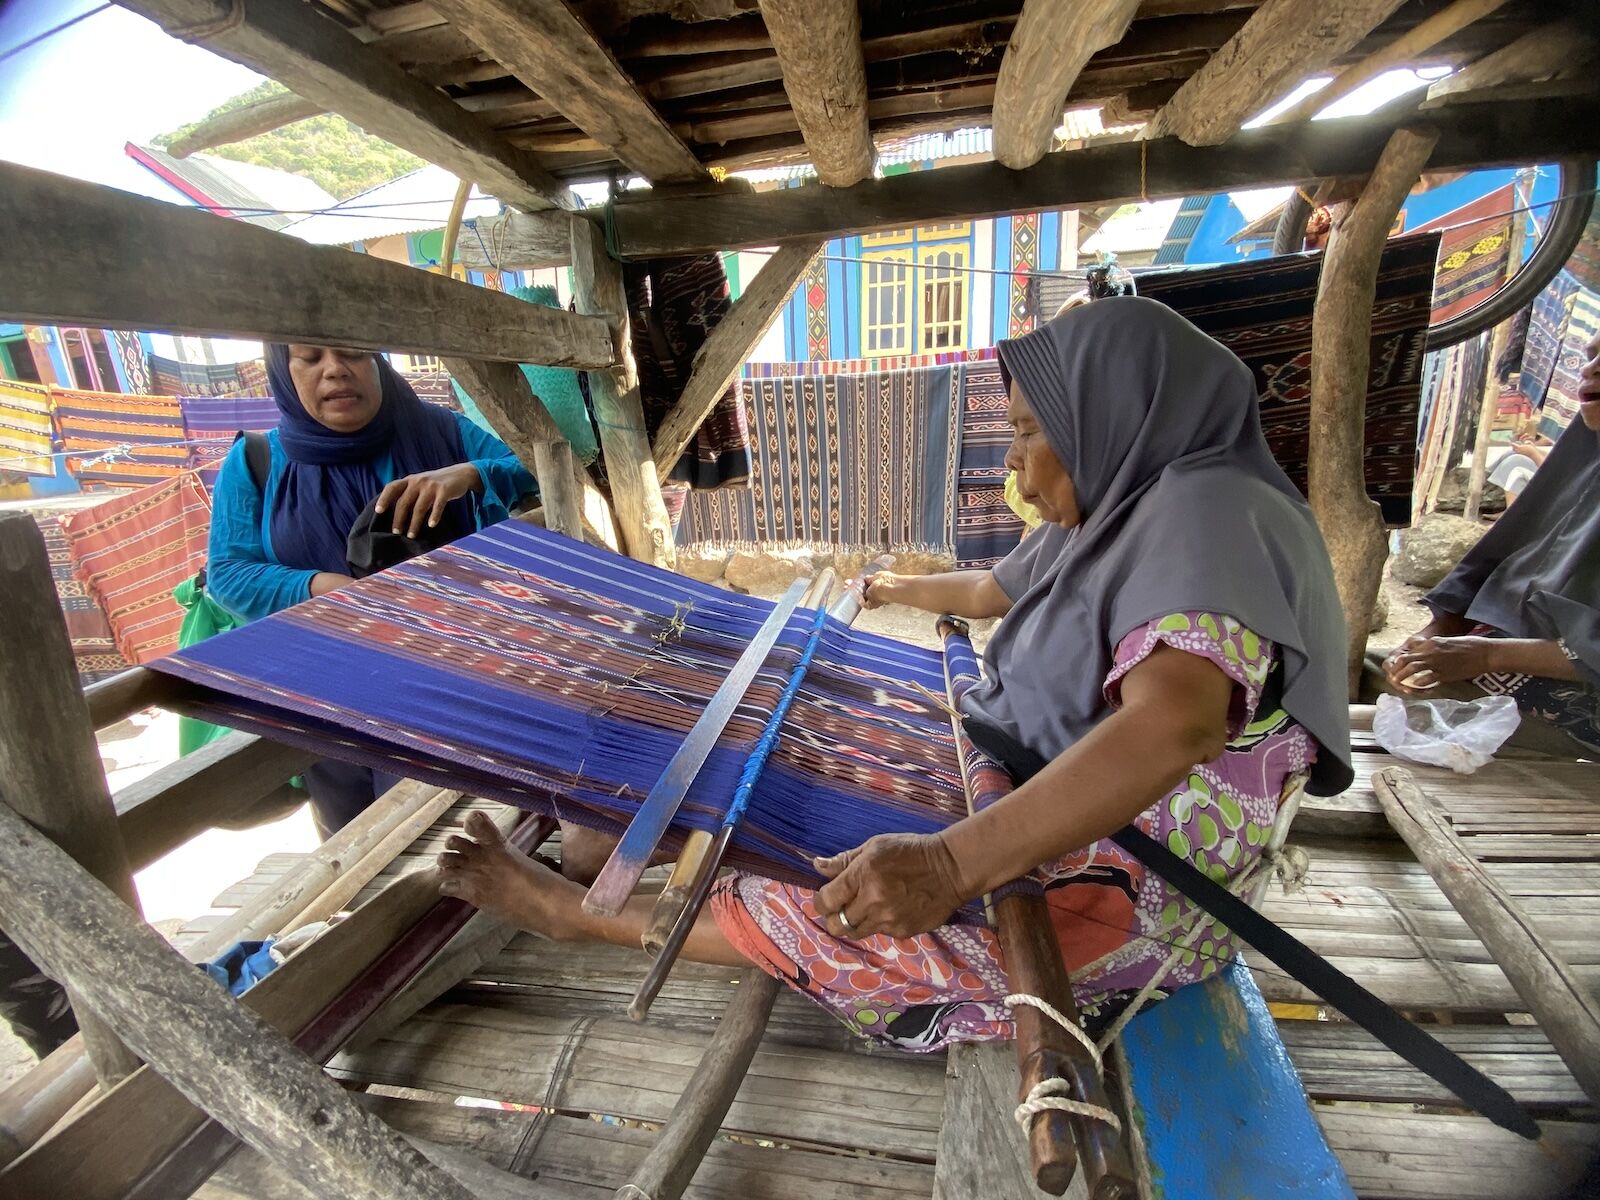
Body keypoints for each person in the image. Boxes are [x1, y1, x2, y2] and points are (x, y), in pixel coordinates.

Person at [437, 298, 1352, 1048]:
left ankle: (582, 914)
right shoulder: (1133, 508)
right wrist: (892, 587)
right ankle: (649, 858)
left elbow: (1175, 726)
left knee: (829, 902)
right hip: (1032, 769)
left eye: (1032, 435)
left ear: (1112, 415)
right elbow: (998, 587)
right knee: (817, 748)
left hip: (1134, 888)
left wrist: (949, 865)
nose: (1019, 474)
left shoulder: (1210, 515)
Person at [208, 343, 537, 835]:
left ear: (379, 363)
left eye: (354, 353)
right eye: (310, 358)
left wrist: (472, 473)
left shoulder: (443, 434)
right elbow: (228, 573)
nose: (335, 370)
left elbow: (543, 469)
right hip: (326, 697)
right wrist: (325, 588)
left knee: (438, 844)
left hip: (445, 687)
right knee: (353, 850)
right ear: (283, 371)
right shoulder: (256, 461)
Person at [1384, 331, 1600, 756]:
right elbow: (1498, 560)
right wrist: (1436, 634)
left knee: (1357, 703)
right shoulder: (1583, 457)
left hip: (1578, 696)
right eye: (1591, 355)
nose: (1591, 369)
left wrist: (1486, 655)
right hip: (1499, 656)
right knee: (1363, 674)